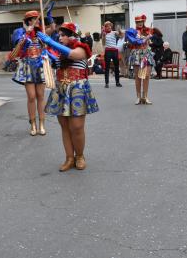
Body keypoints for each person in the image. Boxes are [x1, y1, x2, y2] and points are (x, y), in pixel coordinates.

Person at [42, 22, 99, 171]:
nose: (60, 38)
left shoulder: (81, 48)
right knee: (65, 126)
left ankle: (79, 156)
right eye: (59, 35)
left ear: (72, 36)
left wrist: (50, 42)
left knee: (77, 126)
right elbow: (56, 61)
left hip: (77, 89)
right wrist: (47, 55)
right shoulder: (60, 52)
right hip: (61, 88)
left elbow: (72, 55)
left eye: (63, 35)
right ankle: (69, 158)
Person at [12, 10, 57, 136]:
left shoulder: (41, 32)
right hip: (28, 66)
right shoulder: (20, 32)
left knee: (40, 96)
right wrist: (26, 33)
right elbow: (17, 46)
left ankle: (42, 123)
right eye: (32, 19)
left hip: (40, 65)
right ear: (28, 21)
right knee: (31, 96)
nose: (35, 21)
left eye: (36, 19)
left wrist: (49, 16)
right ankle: (33, 123)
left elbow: (52, 29)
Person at [125, 14, 155, 104]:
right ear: (135, 23)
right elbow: (131, 43)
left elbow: (150, 43)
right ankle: (138, 97)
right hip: (137, 53)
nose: (140, 23)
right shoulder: (132, 32)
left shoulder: (147, 31)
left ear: (143, 22)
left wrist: (149, 39)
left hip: (146, 53)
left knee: (146, 76)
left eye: (141, 21)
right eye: (138, 22)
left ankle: (145, 97)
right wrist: (144, 39)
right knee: (138, 76)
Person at [102, 21, 122, 88]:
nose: (109, 27)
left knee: (116, 67)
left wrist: (119, 30)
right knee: (107, 67)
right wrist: (104, 36)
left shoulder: (114, 32)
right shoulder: (104, 34)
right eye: (107, 26)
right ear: (105, 27)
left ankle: (117, 82)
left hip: (114, 51)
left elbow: (120, 35)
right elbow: (103, 43)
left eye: (110, 25)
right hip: (108, 51)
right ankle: (106, 83)